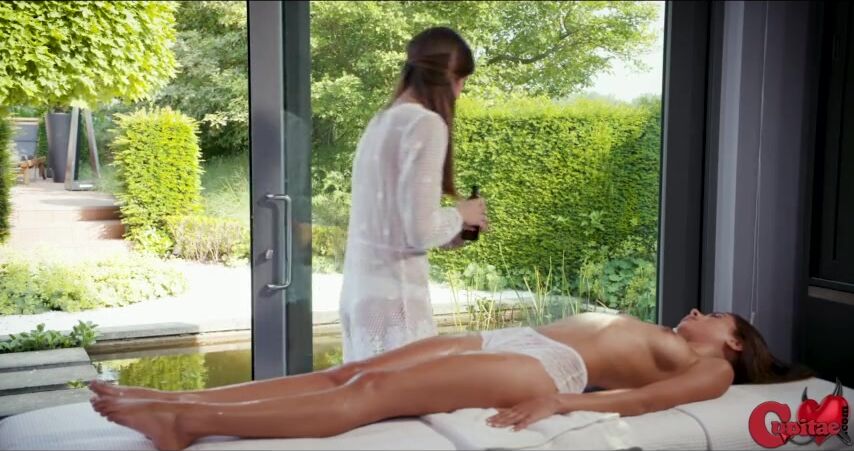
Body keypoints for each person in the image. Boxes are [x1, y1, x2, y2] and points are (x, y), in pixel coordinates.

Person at [89, 309, 812, 450]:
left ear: (735, 339)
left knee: (367, 396)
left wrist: (557, 398)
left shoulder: (712, 370)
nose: (695, 311)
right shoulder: (682, 339)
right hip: (512, 336)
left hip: (545, 365)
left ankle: (188, 423)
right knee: (348, 368)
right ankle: (175, 397)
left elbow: (647, 399)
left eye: (712, 314)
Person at [338, 26, 487, 362]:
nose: (461, 92)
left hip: (361, 299)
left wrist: (454, 232)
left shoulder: (380, 123)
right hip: (397, 308)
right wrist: (462, 213)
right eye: (461, 81)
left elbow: (394, 229)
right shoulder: (426, 124)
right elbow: (420, 231)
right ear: (449, 79)